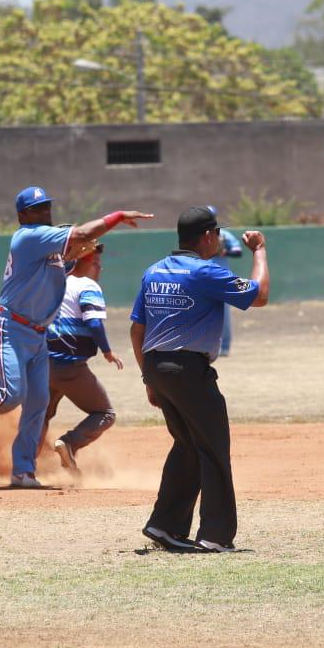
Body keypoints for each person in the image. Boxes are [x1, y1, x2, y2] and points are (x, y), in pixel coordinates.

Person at [0, 188, 152, 488]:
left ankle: (23, 471)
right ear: (23, 215)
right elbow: (79, 235)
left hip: (38, 335)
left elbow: (67, 257)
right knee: (10, 395)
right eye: (37, 208)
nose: (44, 212)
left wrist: (74, 253)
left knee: (38, 402)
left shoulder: (48, 252)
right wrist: (115, 217)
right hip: (10, 327)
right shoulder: (29, 236)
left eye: (47, 207)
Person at [129, 206, 269, 553]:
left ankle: (165, 525)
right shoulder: (206, 272)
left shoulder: (154, 271)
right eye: (217, 233)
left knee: (188, 445)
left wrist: (148, 376)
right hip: (188, 370)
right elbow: (260, 295)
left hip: (158, 366)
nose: (219, 239)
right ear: (207, 236)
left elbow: (136, 329)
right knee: (213, 448)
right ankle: (216, 536)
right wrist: (260, 251)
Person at [39, 242, 121, 476]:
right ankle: (70, 443)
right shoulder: (87, 285)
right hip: (70, 367)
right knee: (105, 413)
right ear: (87, 263)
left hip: (42, 363)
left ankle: (25, 465)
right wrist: (106, 350)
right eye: (97, 264)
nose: (99, 269)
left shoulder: (53, 284)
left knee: (42, 414)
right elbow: (93, 321)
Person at [208, 207, 244, 357]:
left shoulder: (224, 234)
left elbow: (238, 251)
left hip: (221, 276)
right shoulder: (196, 236)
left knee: (223, 313)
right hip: (202, 277)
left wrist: (225, 252)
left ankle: (225, 346)